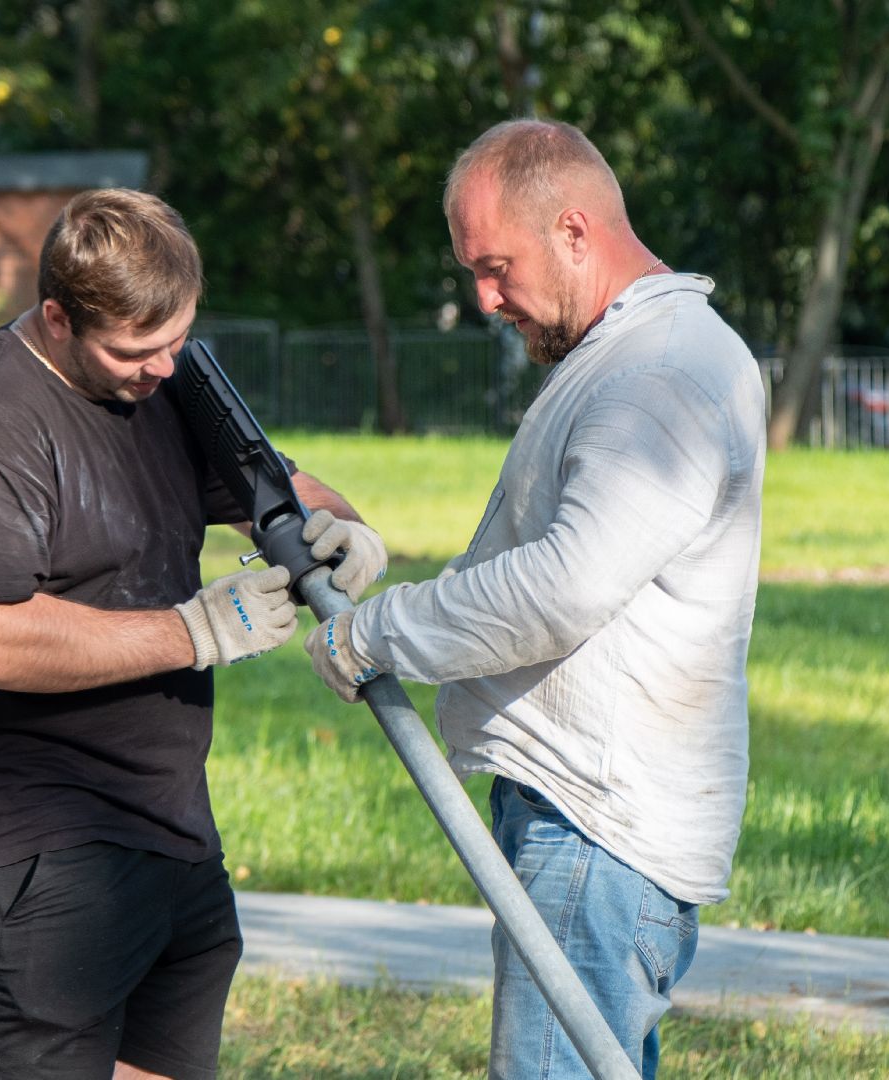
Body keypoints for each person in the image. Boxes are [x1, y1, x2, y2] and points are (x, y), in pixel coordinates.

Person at [304, 119, 766, 1079]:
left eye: (494, 266)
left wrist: (375, 634)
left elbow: (567, 585)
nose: (483, 298)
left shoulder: (662, 374)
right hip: (585, 816)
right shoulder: (634, 354)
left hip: (596, 825)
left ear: (573, 230)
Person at [0, 187, 384, 1080]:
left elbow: (277, 488)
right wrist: (190, 633)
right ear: (56, 317)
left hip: (173, 822)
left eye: (177, 339)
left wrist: (343, 531)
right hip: (42, 842)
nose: (163, 368)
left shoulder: (164, 384)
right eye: (136, 350)